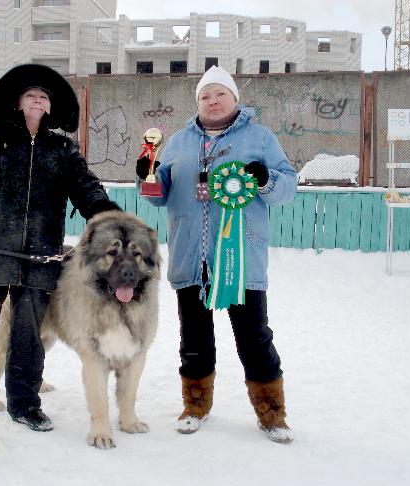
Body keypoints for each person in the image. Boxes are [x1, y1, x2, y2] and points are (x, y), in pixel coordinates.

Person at [0, 64, 120, 432]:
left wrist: (103, 215)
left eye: (44, 96)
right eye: (30, 94)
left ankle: (24, 403)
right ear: (17, 103)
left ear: (50, 108)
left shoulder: (63, 149)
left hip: (40, 256)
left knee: (29, 336)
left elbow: (86, 186)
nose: (38, 99)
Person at [136, 65, 297, 443]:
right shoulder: (175, 142)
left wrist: (265, 178)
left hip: (242, 259)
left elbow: (288, 187)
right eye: (205, 95)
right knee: (193, 338)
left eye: (220, 94)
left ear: (235, 99)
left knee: (255, 337)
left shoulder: (260, 138)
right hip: (191, 257)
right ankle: (195, 405)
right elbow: (159, 198)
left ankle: (272, 413)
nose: (212, 100)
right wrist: (147, 176)